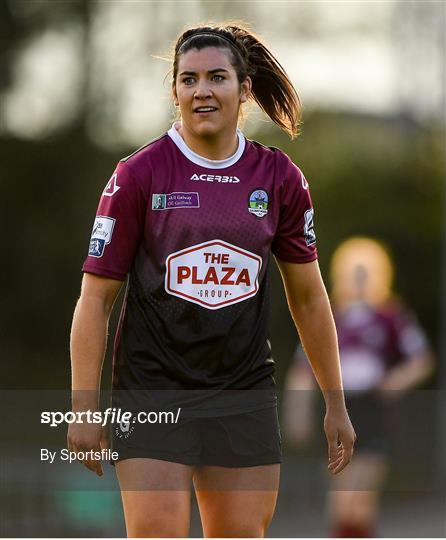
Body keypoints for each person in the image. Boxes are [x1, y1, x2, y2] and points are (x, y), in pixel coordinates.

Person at [68, 22, 356, 538]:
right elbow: (95, 299)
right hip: (153, 389)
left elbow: (310, 299)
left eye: (217, 77)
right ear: (175, 90)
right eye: (188, 79)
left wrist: (334, 401)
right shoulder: (139, 175)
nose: (202, 90)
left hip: (242, 391)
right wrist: (82, 406)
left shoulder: (279, 178)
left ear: (244, 89)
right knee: (158, 532)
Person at [284, 236, 434, 538]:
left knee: (361, 498)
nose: (360, 279)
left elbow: (421, 360)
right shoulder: (330, 315)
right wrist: (296, 413)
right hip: (339, 409)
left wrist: (395, 382)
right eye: (354, 272)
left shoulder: (391, 316)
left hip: (372, 410)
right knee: (342, 501)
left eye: (366, 272)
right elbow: (302, 370)